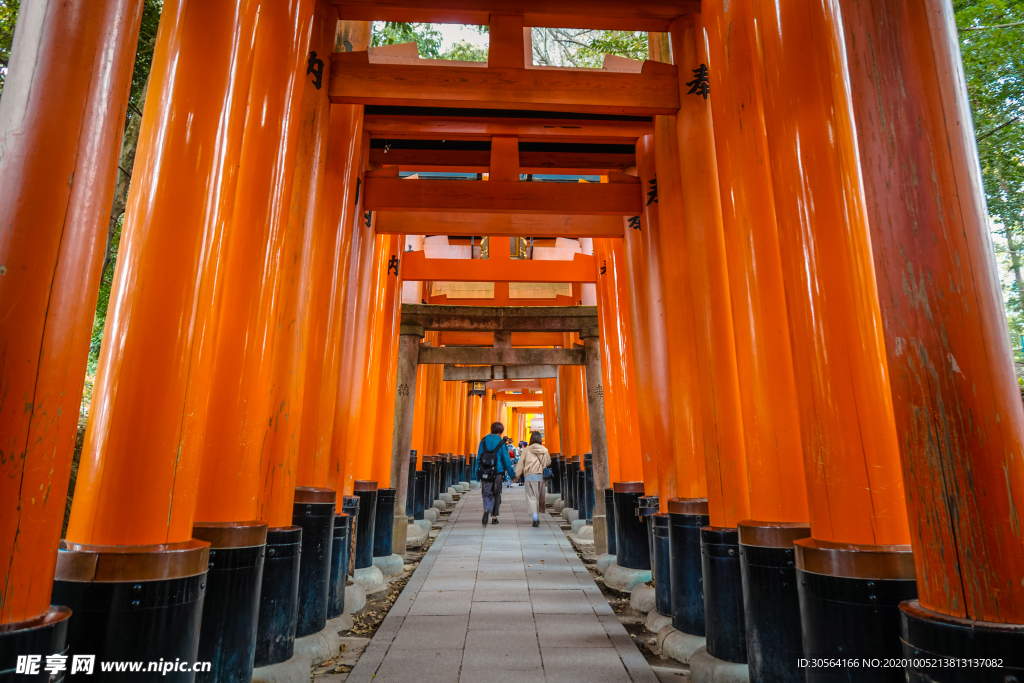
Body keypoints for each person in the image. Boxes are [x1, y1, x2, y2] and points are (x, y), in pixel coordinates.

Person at [473, 423, 514, 525]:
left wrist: (476, 473)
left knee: (486, 494)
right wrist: (511, 474)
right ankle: (494, 517)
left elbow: (479, 457)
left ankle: (487, 509)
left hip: (485, 471)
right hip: (498, 472)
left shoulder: (483, 441)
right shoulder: (501, 442)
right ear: (500, 432)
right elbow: (506, 459)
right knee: (496, 494)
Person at [515, 431, 551, 527]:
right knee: (538, 497)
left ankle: (535, 517)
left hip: (529, 476)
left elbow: (520, 464)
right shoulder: (545, 450)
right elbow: (548, 462)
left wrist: (516, 475)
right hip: (540, 477)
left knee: (531, 497)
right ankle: (537, 515)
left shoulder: (527, 450)